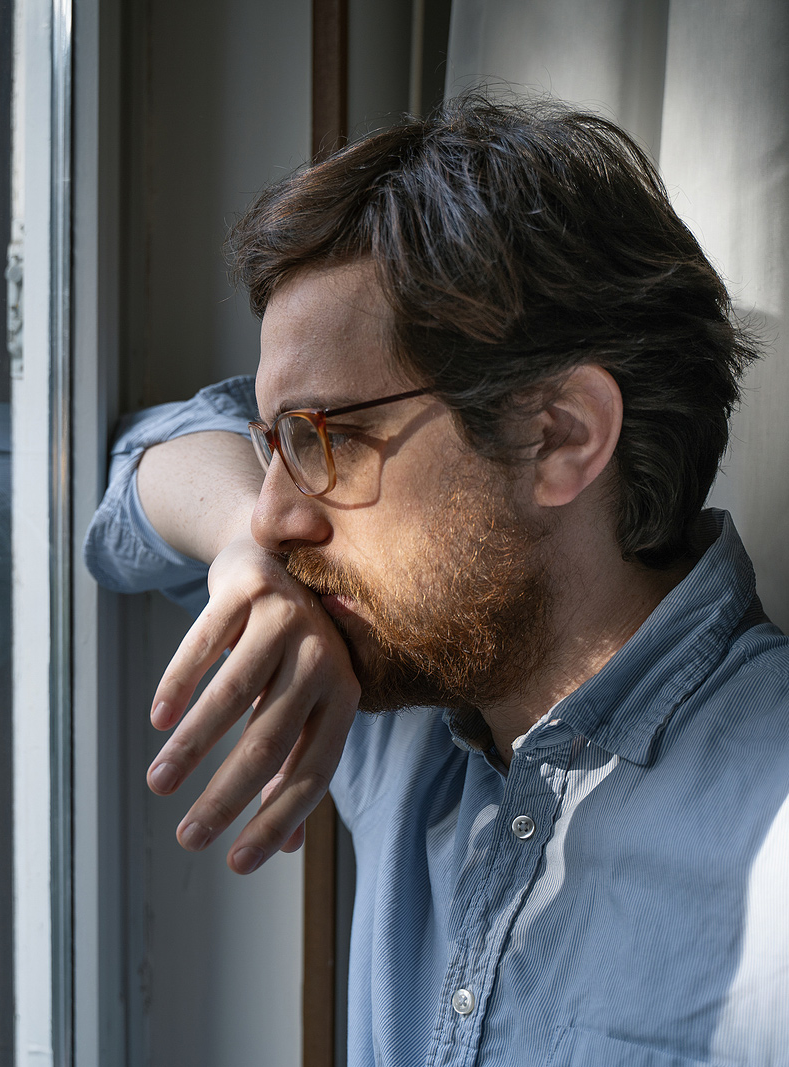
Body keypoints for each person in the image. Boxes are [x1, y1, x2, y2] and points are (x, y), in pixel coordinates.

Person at [84, 94, 789, 1066]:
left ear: (559, 435)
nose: (280, 513)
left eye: (328, 437)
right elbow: (130, 480)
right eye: (274, 444)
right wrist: (236, 550)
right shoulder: (401, 689)